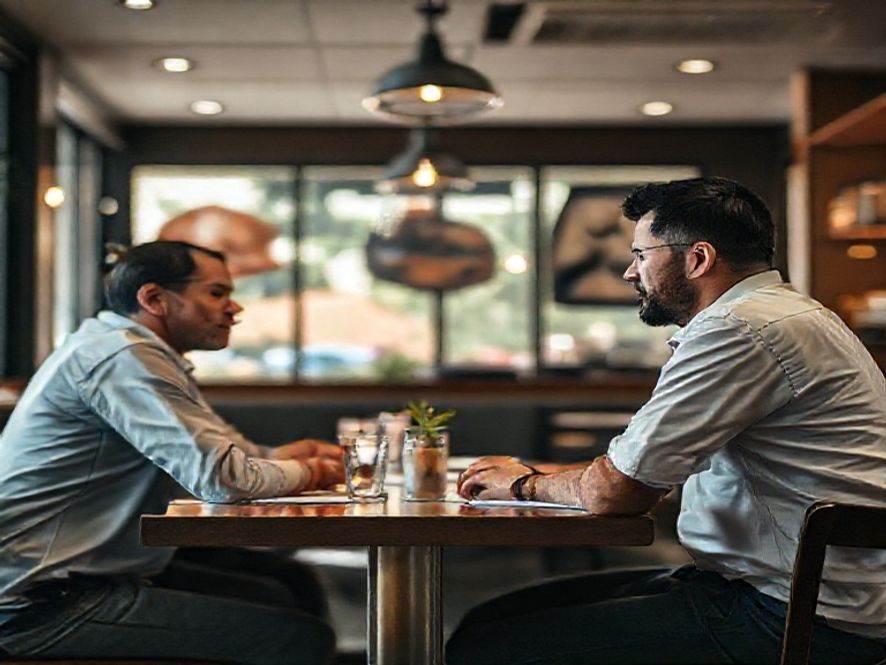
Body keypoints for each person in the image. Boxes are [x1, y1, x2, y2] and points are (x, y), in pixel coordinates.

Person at [449, 177, 886, 665]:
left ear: (698, 258)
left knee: (485, 646)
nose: (630, 273)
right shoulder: (790, 315)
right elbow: (642, 470)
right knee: (486, 621)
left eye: (641, 255)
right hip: (786, 591)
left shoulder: (738, 330)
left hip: (799, 615)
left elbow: (618, 490)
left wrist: (524, 486)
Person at [0, 241, 344, 664]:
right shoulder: (121, 357)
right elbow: (223, 479)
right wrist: (308, 472)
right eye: (217, 293)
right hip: (39, 601)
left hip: (89, 575)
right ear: (154, 299)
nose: (234, 308)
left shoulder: (131, 350)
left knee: (285, 586)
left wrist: (295, 456)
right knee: (297, 639)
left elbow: (231, 458)